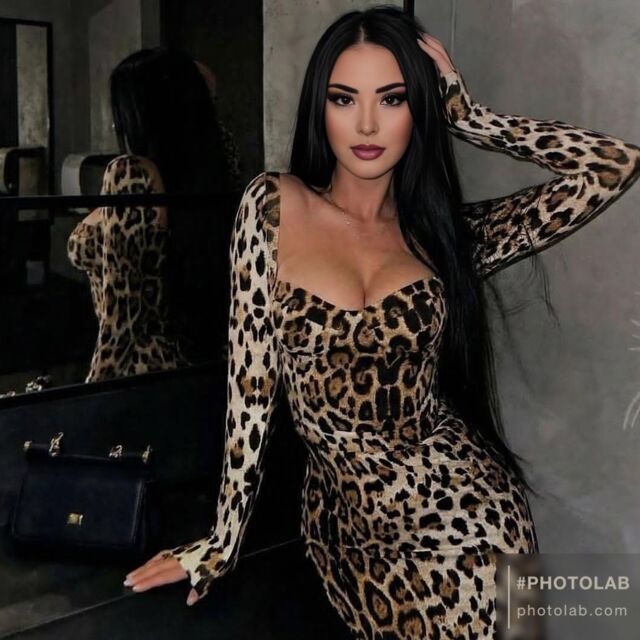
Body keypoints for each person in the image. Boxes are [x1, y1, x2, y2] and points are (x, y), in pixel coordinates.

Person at [122, 7, 640, 638]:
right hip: (349, 522)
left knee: (510, 627)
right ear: (320, 108)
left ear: (418, 108)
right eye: (344, 98)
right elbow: (250, 387)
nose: (367, 124)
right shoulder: (273, 205)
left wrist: (471, 118)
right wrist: (222, 542)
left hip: (474, 512)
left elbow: (612, 166)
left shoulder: (445, 238)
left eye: (392, 98)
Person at [67, 47, 239, 383]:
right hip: (197, 364)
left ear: (142, 111)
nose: (115, 122)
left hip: (139, 369)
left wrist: (92, 391)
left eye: (121, 108)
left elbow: (121, 315)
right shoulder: (213, 169)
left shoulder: (130, 173)